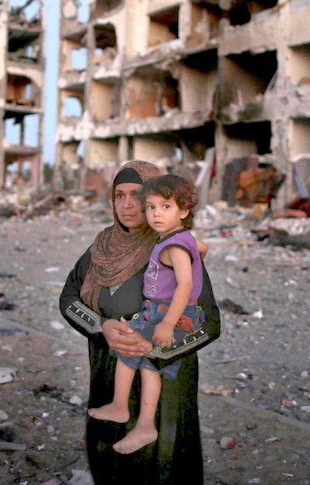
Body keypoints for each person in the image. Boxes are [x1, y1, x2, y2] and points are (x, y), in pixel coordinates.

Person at [59, 161, 221, 484]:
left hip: (166, 385)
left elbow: (209, 322)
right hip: (109, 374)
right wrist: (101, 327)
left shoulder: (172, 248)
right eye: (119, 196)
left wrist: (157, 346)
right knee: (109, 461)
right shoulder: (100, 249)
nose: (127, 205)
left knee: (162, 466)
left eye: (137, 196)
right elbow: (69, 299)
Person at [88, 174, 205, 455]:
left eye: (165, 207)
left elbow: (186, 285)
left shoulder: (174, 245)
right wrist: (201, 250)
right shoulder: (177, 239)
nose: (155, 214)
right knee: (136, 355)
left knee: (143, 359)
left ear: (184, 211)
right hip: (156, 311)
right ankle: (124, 409)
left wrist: (166, 324)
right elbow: (200, 248)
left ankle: (140, 421)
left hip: (170, 314)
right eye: (150, 207)